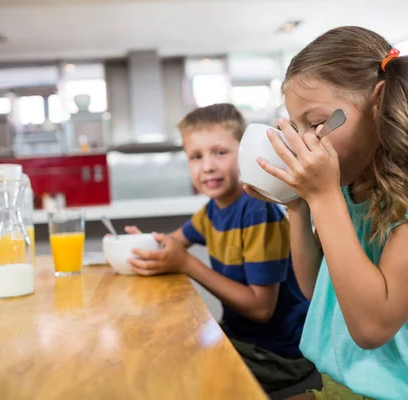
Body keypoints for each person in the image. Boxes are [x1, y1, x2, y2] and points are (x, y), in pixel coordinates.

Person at [244, 26, 408, 399]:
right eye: (298, 127)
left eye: (317, 123)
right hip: (339, 386)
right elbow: (316, 289)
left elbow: (372, 326)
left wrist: (323, 198)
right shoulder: (346, 184)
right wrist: (297, 207)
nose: (307, 141)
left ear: (379, 101)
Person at [125, 103, 314, 393]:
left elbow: (261, 309)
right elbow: (174, 243)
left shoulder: (256, 210)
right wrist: (145, 244)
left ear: (243, 154)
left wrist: (187, 264)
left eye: (220, 152)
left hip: (279, 355)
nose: (208, 166)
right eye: (195, 157)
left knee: (172, 377)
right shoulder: (212, 210)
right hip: (242, 338)